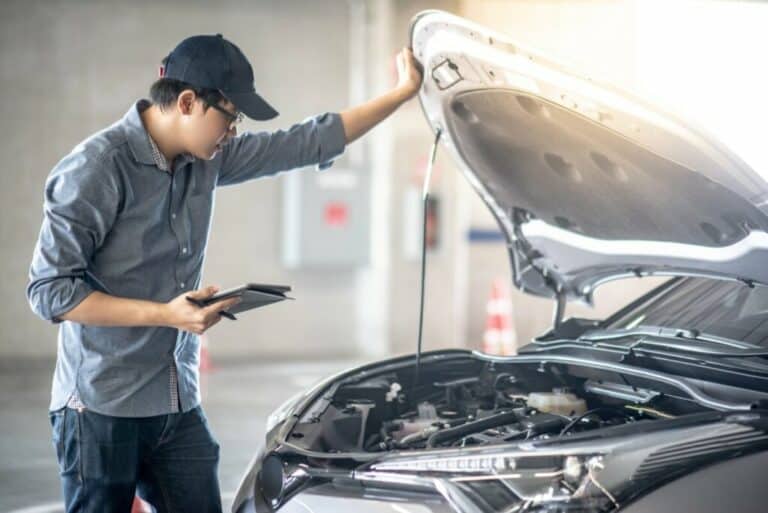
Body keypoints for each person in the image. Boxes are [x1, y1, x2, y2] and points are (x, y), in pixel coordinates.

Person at [26, 33, 423, 513]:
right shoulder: (96, 168)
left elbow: (308, 140)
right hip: (100, 407)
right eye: (231, 118)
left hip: (174, 400)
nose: (233, 132)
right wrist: (165, 315)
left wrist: (401, 94)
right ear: (188, 102)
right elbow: (50, 292)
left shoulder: (207, 161)